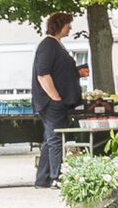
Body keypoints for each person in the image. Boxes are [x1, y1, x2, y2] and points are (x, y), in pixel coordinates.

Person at [31, 12, 83, 187]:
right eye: (68, 24)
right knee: (56, 138)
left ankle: (43, 179)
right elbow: (43, 74)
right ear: (60, 25)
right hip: (52, 101)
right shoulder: (49, 45)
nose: (70, 27)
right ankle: (57, 177)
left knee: (49, 139)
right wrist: (56, 97)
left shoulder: (56, 45)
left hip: (54, 100)